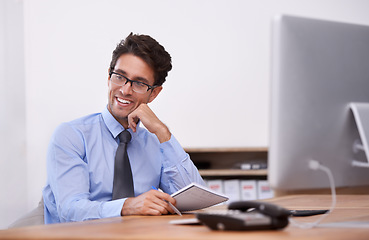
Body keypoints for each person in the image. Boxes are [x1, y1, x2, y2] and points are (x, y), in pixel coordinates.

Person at [42, 33, 204, 224]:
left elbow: (196, 201)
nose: (125, 90)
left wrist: (162, 131)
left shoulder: (155, 142)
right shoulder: (72, 135)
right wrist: (128, 206)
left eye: (139, 83)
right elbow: (70, 210)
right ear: (109, 76)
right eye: (120, 77)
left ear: (154, 93)